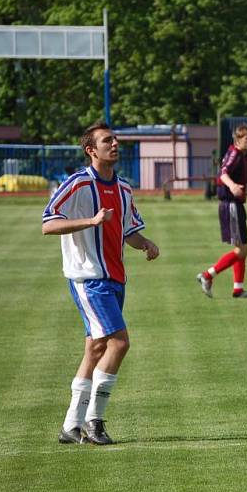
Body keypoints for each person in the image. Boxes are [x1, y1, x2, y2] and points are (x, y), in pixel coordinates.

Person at [42, 121, 160, 445]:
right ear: (90, 150)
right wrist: (90, 221)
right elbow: (48, 223)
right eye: (107, 140)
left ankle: (70, 425)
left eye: (116, 139)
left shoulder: (123, 188)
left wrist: (146, 243)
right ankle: (94, 421)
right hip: (89, 279)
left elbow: (128, 231)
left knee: (95, 349)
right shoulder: (77, 184)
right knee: (119, 343)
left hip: (115, 278)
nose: (115, 144)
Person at [196, 124, 247, 299]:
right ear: (238, 140)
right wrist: (233, 186)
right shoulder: (235, 155)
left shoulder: (238, 154)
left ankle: (238, 289)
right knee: (241, 250)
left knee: (242, 248)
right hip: (230, 205)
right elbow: (223, 173)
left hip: (235, 204)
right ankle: (207, 275)